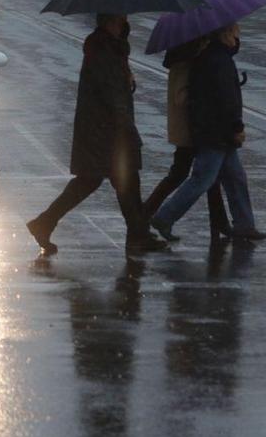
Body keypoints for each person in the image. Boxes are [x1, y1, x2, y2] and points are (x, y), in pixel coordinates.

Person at [27, 14, 167, 256]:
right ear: (112, 20)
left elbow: (113, 86)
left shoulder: (110, 47)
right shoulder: (104, 49)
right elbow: (111, 93)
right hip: (106, 130)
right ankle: (136, 235)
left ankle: (136, 234)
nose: (125, 20)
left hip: (102, 129)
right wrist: (126, 127)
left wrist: (127, 74)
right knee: (111, 180)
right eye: (122, 17)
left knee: (116, 181)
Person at [150, 24, 266, 242]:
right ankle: (164, 217)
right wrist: (237, 127)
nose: (238, 37)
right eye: (235, 33)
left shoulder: (213, 56)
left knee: (236, 177)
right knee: (201, 179)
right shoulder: (219, 61)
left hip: (213, 131)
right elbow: (226, 100)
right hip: (215, 133)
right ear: (224, 34)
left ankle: (245, 224)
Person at [143, 37, 232, 242]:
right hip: (188, 128)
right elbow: (181, 97)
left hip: (195, 126)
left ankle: (220, 223)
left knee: (210, 175)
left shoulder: (192, 56)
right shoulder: (184, 60)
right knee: (182, 174)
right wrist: (205, 90)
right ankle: (146, 216)